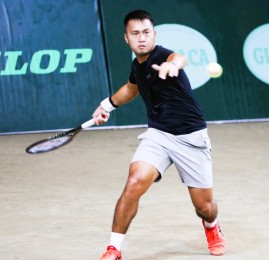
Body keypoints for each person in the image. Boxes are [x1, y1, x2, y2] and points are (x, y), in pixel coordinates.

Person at [93, 9, 226, 259]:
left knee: (204, 207)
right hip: (158, 135)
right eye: (135, 34)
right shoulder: (137, 65)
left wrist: (171, 65)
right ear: (126, 39)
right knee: (134, 182)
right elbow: (131, 89)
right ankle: (114, 248)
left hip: (190, 138)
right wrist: (106, 106)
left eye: (146, 33)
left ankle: (211, 226)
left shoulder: (163, 55)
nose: (141, 38)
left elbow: (180, 58)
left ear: (154, 34)